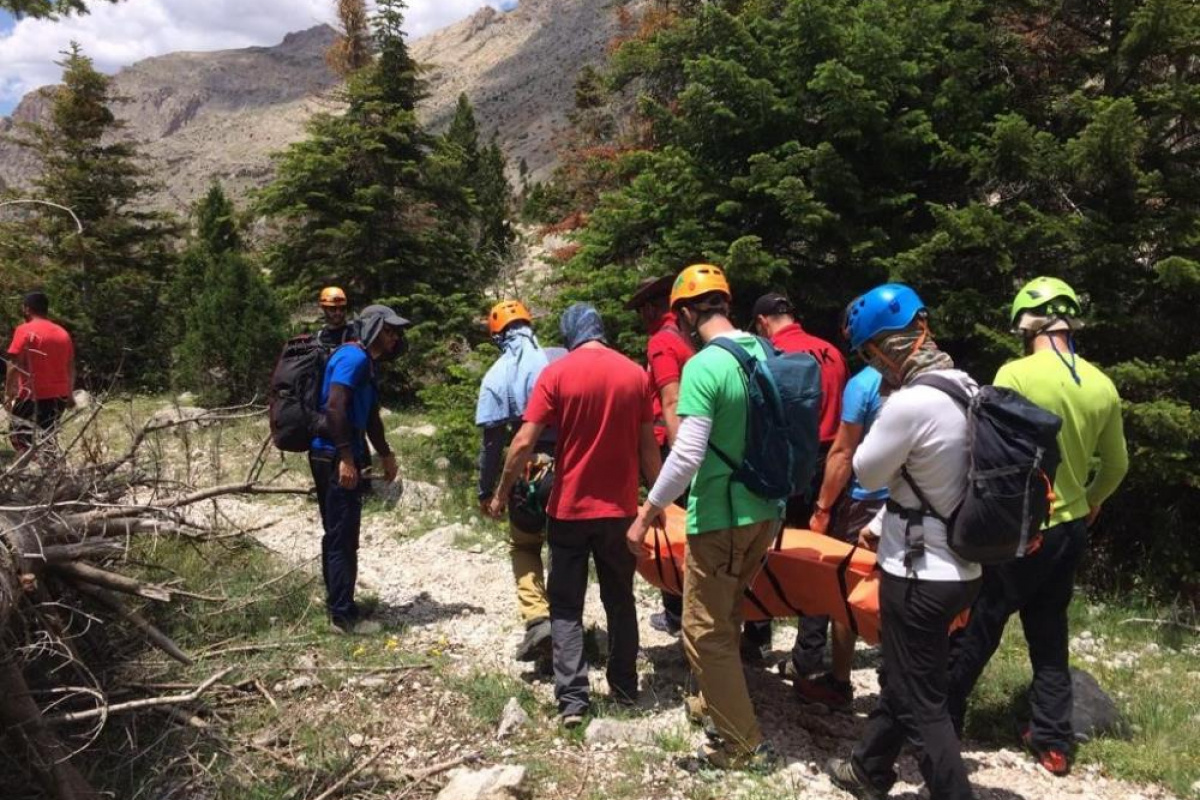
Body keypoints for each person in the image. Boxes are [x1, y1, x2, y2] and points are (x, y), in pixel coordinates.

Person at [947, 277, 1128, 776]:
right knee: (1049, 634)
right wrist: (1090, 501)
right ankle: (1053, 742)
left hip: (1024, 526)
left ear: (1027, 325)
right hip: (1070, 529)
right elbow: (1116, 465)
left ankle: (943, 720)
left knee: (981, 622)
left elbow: (991, 453)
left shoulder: (1015, 372)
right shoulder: (1102, 384)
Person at [825, 284, 982, 800]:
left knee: (924, 705)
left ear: (884, 349)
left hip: (917, 573)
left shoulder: (911, 402)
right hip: (963, 568)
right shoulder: (968, 386)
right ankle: (869, 769)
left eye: (870, 354)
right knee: (906, 674)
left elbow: (867, 469)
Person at [627, 264, 784, 771]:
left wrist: (648, 511)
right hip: (766, 511)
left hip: (723, 515)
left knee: (702, 628)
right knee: (729, 610)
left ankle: (740, 745)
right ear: (727, 304)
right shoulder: (764, 351)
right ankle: (716, 702)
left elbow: (688, 452)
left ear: (687, 313)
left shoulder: (702, 365)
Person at [489, 303, 661, 727]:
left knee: (565, 605)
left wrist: (501, 491)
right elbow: (648, 449)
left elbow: (523, 442)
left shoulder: (557, 373)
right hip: (620, 510)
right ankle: (623, 687)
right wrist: (659, 503)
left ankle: (573, 701)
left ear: (569, 336)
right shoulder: (636, 375)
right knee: (620, 598)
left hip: (569, 509)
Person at [750, 292, 850, 680]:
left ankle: (755, 635)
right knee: (819, 556)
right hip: (829, 462)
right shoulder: (833, 353)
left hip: (783, 460)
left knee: (760, 549)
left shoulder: (767, 353)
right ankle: (808, 653)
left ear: (762, 322)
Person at [308, 304, 409, 635]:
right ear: (374, 329)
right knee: (342, 536)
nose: (395, 337)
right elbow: (335, 408)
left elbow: (370, 418)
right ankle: (342, 616)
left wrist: (386, 455)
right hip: (334, 456)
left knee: (340, 533)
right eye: (390, 330)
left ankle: (339, 603)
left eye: (397, 331)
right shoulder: (354, 359)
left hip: (337, 454)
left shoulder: (366, 362)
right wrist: (347, 459)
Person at [476, 299, 565, 664]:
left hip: (528, 472)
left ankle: (537, 618)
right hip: (568, 469)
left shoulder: (496, 375)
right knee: (563, 547)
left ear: (498, 336)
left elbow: (492, 444)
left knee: (525, 546)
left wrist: (488, 491)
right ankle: (566, 624)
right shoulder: (560, 357)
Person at [625, 274, 693, 636]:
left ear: (652, 306)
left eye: (640, 310)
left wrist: (677, 458)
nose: (639, 317)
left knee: (667, 525)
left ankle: (677, 612)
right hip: (685, 443)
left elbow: (671, 399)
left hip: (669, 445)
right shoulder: (686, 338)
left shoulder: (661, 343)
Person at [4, 291, 75, 454]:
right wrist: (69, 395)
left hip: (33, 395)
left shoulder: (24, 330)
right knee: (47, 435)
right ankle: (54, 470)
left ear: (27, 309)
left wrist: (9, 394)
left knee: (18, 435)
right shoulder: (62, 333)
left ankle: (33, 471)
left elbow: (14, 364)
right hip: (59, 395)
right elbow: (70, 367)